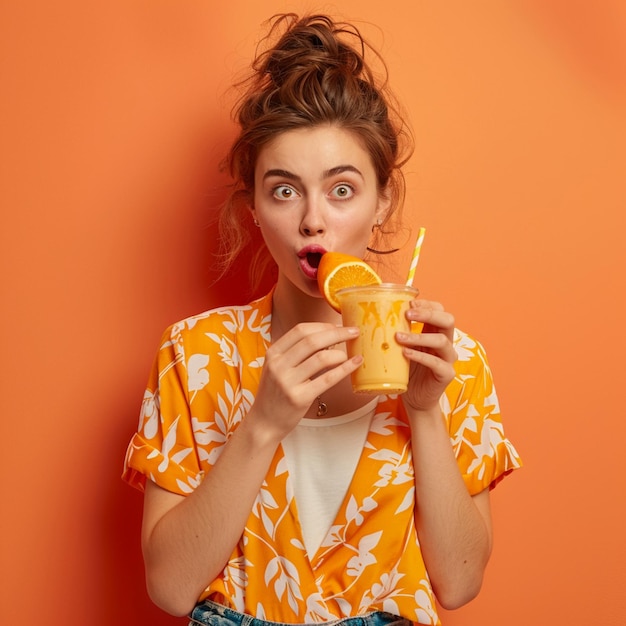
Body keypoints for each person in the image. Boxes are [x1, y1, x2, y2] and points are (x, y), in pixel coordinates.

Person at [122, 13, 522, 626]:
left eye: (341, 189)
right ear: (254, 206)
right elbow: (172, 589)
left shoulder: (449, 360)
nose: (313, 220)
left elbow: (460, 583)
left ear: (382, 199)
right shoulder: (195, 353)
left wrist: (424, 412)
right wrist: (262, 423)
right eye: (284, 190)